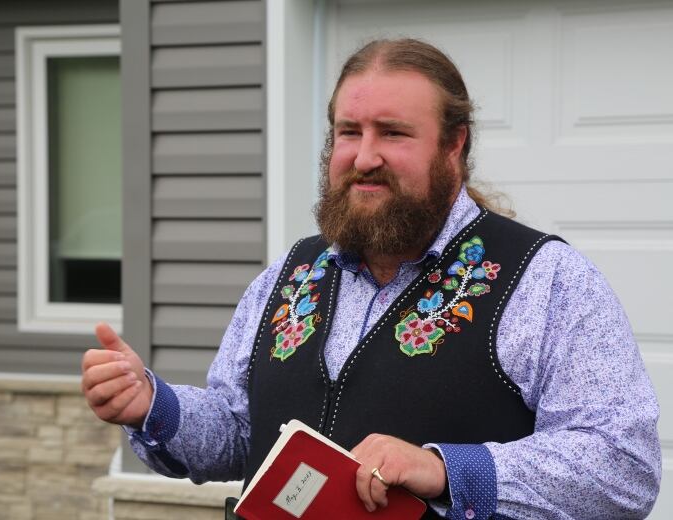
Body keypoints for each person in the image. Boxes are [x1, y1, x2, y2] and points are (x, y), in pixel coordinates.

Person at [81, 39, 661, 519]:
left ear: (454, 145)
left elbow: (623, 466)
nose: (363, 156)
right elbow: (241, 432)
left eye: (393, 133)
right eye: (349, 131)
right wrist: (152, 405)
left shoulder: (546, 280)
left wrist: (443, 469)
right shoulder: (288, 277)